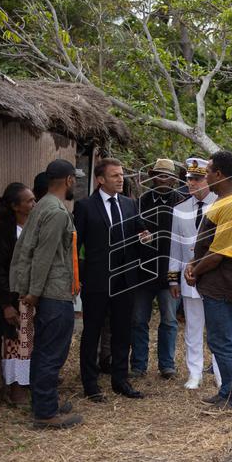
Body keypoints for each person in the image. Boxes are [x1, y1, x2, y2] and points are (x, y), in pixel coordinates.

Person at [9, 160, 84, 429]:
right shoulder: (55, 211)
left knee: (45, 352)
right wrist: (34, 292)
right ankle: (46, 413)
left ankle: (44, 403)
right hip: (54, 292)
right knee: (52, 353)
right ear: (68, 181)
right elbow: (43, 255)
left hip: (50, 291)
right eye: (75, 179)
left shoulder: (43, 206)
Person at [73, 158, 150, 402]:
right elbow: (76, 247)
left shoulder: (130, 204)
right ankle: (91, 384)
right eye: (115, 175)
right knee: (92, 332)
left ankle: (120, 380)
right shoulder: (85, 206)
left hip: (125, 280)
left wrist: (145, 237)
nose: (120, 179)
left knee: (122, 331)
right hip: (96, 281)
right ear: (100, 179)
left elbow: (138, 233)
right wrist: (79, 277)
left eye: (122, 175)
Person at [186, 151, 232, 415]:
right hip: (218, 284)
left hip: (225, 286)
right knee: (220, 340)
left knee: (222, 341)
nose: (205, 175)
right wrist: (194, 265)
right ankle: (227, 392)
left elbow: (222, 251)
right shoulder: (224, 202)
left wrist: (195, 269)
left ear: (220, 175)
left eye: (209, 170)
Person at [131, 158, 185, 378]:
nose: (164, 179)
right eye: (160, 174)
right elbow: (131, 230)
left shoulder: (182, 203)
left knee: (170, 320)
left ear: (174, 180)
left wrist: (176, 277)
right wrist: (140, 236)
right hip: (143, 273)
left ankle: (167, 364)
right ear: (152, 176)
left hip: (170, 273)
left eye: (169, 176)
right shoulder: (140, 201)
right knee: (138, 320)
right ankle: (139, 364)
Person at [169, 157, 218, 389]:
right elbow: (175, 247)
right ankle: (195, 373)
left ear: (207, 179)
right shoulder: (179, 209)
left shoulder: (221, 204)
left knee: (218, 329)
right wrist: (173, 279)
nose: (192, 183)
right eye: (189, 179)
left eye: (197, 179)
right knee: (193, 329)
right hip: (189, 279)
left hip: (214, 276)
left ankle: (220, 372)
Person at [0, 182, 37, 405]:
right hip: (14, 298)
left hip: (34, 295)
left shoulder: (35, 227)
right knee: (16, 343)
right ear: (16, 206)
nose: (34, 204)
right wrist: (6, 304)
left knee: (32, 342)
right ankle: (16, 390)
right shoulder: (3, 233)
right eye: (29, 201)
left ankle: (31, 385)